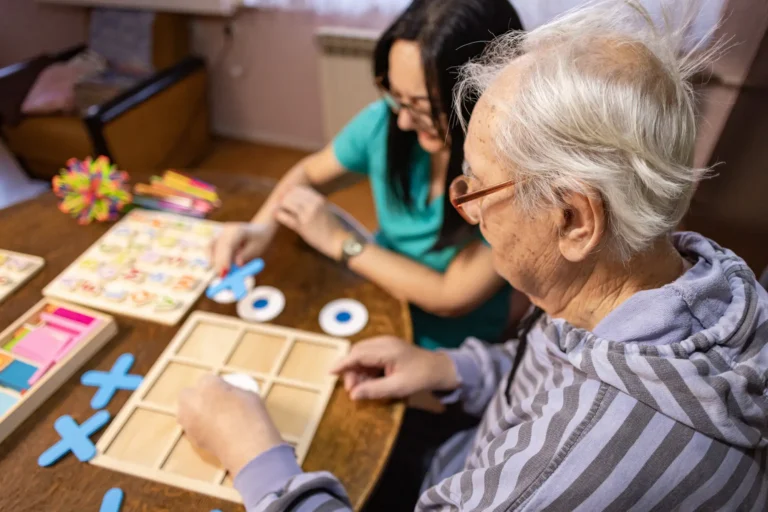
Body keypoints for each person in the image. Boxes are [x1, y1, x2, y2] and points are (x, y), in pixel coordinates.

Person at [179, 2, 768, 511]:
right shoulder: (687, 274)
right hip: (473, 438)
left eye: (478, 186)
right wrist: (457, 371)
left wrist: (252, 455)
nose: (468, 208)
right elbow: (546, 363)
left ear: (573, 220)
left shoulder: (557, 473)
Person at [211, 0, 526, 350]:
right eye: (397, 97)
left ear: (483, 94)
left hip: (454, 345)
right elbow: (309, 173)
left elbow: (449, 297)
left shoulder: (511, 178)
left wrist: (340, 242)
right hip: (381, 292)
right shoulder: (386, 121)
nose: (404, 120)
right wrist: (261, 227)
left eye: (421, 107)